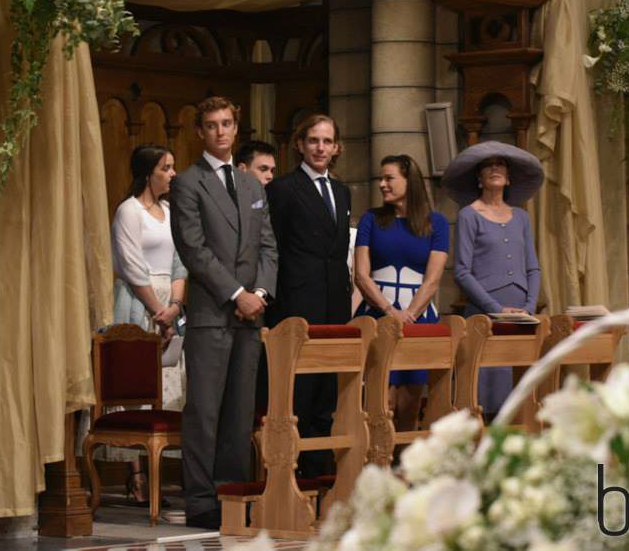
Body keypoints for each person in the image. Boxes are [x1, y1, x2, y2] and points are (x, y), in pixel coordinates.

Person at [170, 96, 278, 529]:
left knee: (238, 412)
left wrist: (261, 292)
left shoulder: (252, 184)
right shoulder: (188, 183)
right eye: (212, 125)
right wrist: (237, 293)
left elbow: (268, 244)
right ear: (200, 131)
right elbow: (194, 250)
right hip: (213, 312)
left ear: (237, 128)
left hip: (252, 313)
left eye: (227, 123)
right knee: (205, 412)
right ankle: (199, 500)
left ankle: (231, 495)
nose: (220, 131)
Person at [265, 113, 351, 478]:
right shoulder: (283, 189)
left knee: (326, 394)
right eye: (314, 140)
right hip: (297, 305)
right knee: (299, 394)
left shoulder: (342, 191)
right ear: (300, 144)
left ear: (335, 148)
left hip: (335, 305)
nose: (320, 148)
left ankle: (321, 476)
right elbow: (273, 249)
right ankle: (291, 476)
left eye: (327, 141)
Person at [107, 144, 187, 505]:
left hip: (168, 304)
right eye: (166, 168)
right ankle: (135, 476)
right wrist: (158, 310)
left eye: (172, 167)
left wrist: (175, 305)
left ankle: (159, 474)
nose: (172, 174)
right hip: (139, 304)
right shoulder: (129, 211)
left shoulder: (169, 211)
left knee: (168, 388)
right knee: (134, 392)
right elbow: (130, 265)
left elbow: (179, 263)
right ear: (147, 173)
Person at [443, 141, 544, 418]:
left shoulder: (521, 217)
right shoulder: (469, 215)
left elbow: (533, 268)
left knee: (518, 395)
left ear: (508, 177)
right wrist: (496, 310)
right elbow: (462, 271)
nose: (495, 168)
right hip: (486, 314)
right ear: (479, 177)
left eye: (500, 164)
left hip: (522, 317)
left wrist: (529, 308)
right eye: (488, 165)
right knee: (484, 396)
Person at [354, 155, 448, 432]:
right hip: (376, 315)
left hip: (419, 321)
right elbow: (361, 274)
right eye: (380, 178)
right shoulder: (371, 219)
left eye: (389, 178)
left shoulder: (437, 222)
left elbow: (433, 280)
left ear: (410, 181)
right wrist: (389, 311)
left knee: (409, 404)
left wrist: (409, 316)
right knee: (378, 403)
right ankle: (373, 467)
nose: (382, 184)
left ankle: (404, 470)